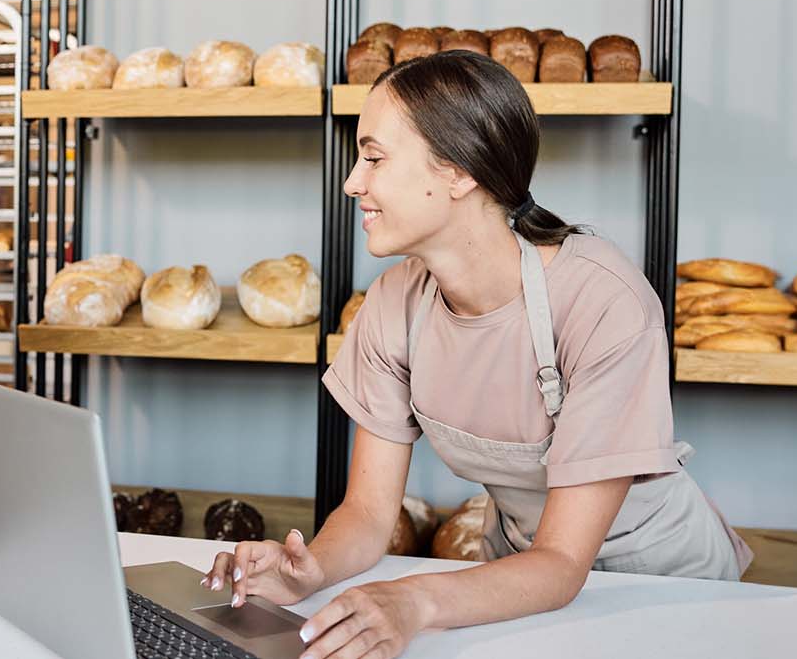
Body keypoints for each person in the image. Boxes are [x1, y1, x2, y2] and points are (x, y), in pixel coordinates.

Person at [203, 50, 751, 659]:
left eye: (375, 158)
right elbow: (367, 512)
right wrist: (311, 568)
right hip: (513, 579)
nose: (353, 181)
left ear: (460, 171)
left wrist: (414, 601)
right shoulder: (395, 303)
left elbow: (567, 561)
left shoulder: (603, 302)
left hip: (661, 592)